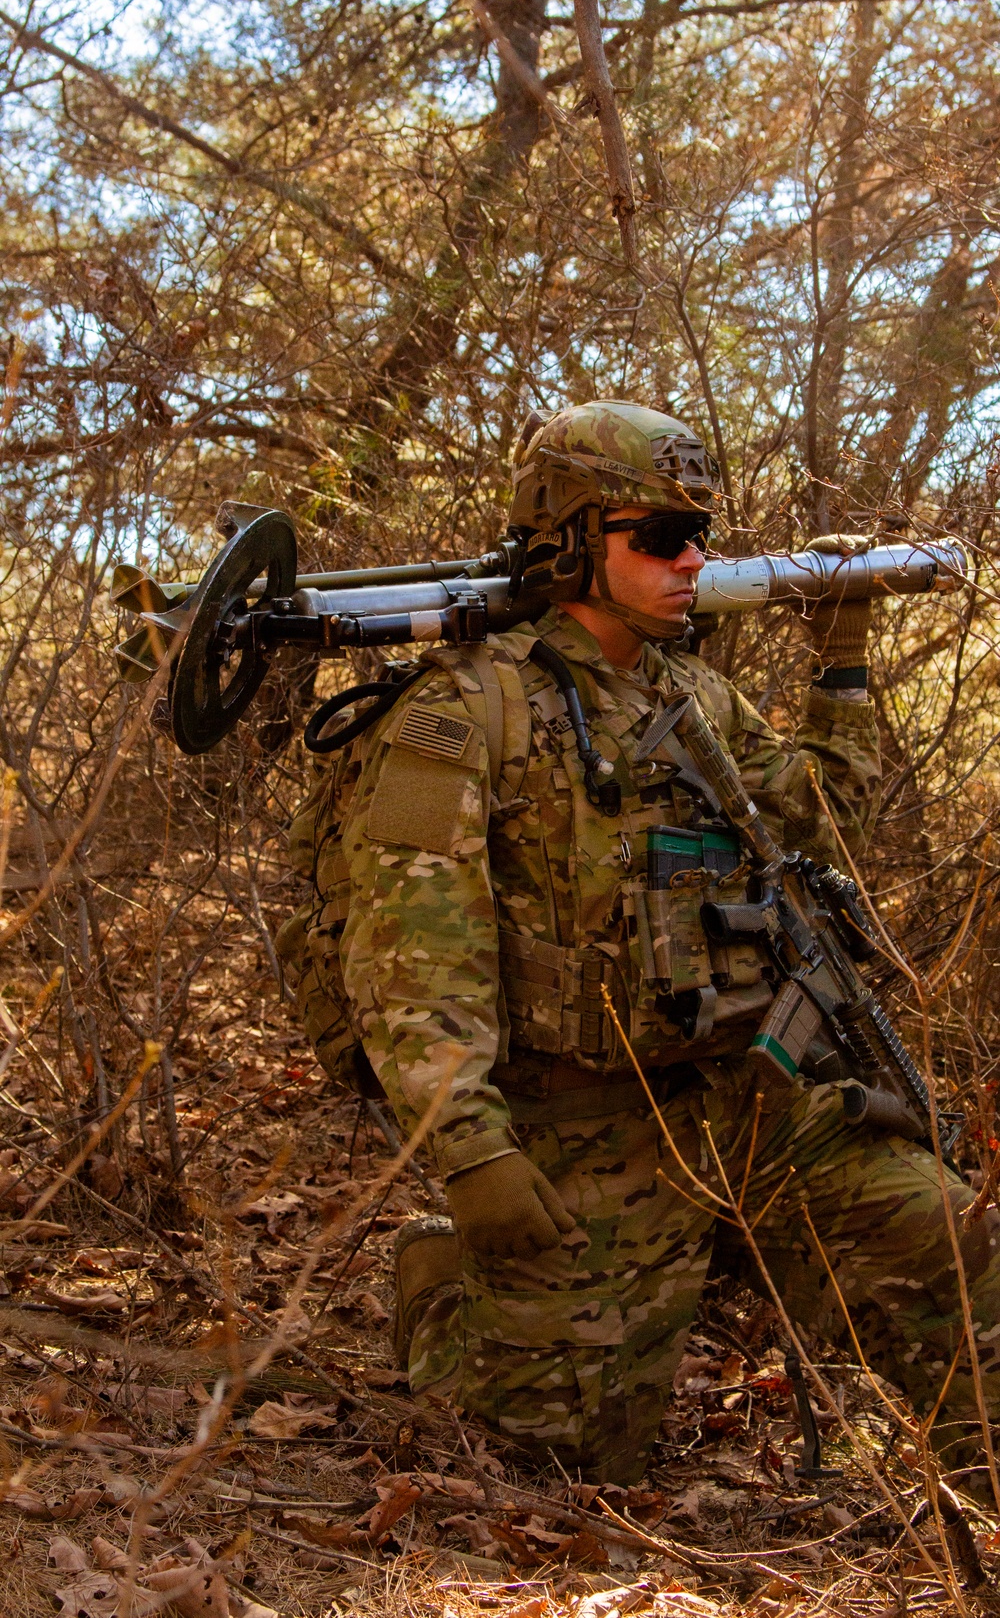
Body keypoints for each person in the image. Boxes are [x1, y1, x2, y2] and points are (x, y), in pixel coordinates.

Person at [291, 401, 1000, 1488]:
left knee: (960, 1259)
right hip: (580, 1125)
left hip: (749, 1096)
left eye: (698, 536)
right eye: (659, 537)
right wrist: (472, 1152)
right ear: (574, 540)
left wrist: (843, 657)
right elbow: (411, 956)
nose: (693, 560)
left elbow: (821, 829)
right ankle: (444, 1285)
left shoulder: (697, 697)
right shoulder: (465, 713)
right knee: (563, 1460)